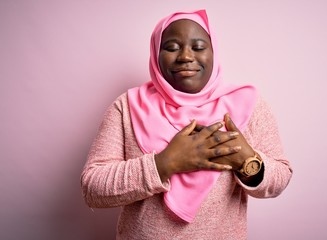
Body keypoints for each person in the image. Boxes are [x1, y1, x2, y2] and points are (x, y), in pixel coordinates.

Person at [81, 9, 292, 239]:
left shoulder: (247, 104)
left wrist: (247, 161)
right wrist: (164, 164)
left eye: (199, 47)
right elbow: (93, 188)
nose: (185, 56)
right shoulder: (127, 107)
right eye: (171, 47)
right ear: (155, 53)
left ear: (214, 52)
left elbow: (281, 177)